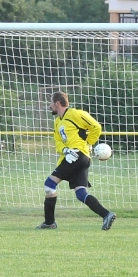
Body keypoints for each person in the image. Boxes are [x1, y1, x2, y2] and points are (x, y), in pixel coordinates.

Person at [36, 91, 116, 230]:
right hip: (73, 157)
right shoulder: (57, 122)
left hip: (78, 156)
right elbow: (58, 143)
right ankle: (106, 214)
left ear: (57, 103)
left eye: (51, 103)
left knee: (49, 185)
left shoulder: (75, 114)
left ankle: (49, 223)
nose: (49, 106)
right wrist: (65, 150)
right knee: (81, 193)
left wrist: (88, 144)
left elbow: (96, 127)